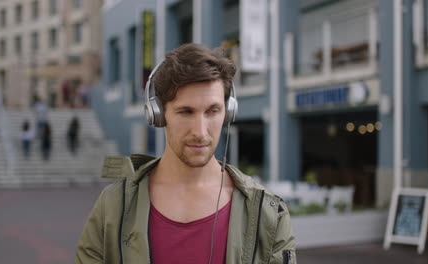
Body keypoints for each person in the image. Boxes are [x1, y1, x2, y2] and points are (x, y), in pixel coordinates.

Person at [76, 43, 296, 264]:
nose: (200, 132)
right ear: (159, 115)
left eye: (213, 111)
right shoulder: (113, 206)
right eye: (185, 112)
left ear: (228, 113)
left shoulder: (267, 214)